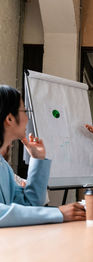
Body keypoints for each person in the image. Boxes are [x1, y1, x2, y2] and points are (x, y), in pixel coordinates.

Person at [0, 85, 86, 227]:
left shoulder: (4, 167)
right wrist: (58, 213)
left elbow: (30, 203)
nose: (28, 118)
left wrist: (38, 159)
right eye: (25, 111)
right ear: (9, 118)